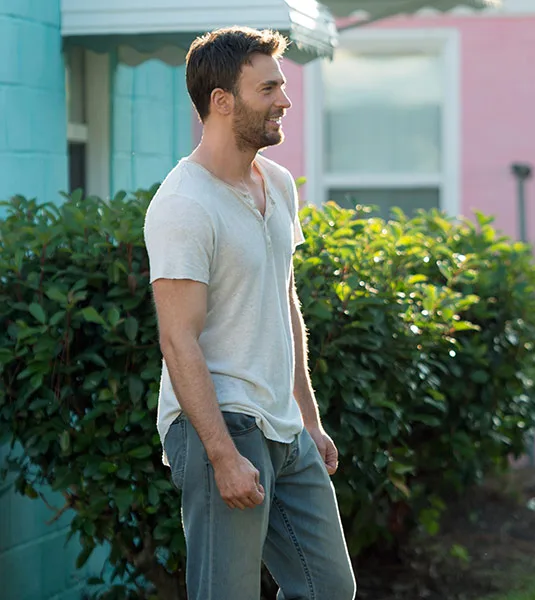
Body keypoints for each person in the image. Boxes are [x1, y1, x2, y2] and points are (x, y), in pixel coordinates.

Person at [143, 26, 356, 600]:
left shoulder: (278, 184)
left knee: (329, 588)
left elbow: (283, 302)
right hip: (222, 424)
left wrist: (309, 418)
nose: (284, 100)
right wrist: (221, 454)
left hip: (283, 423)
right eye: (268, 89)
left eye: (281, 86)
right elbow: (178, 340)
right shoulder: (184, 204)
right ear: (221, 101)